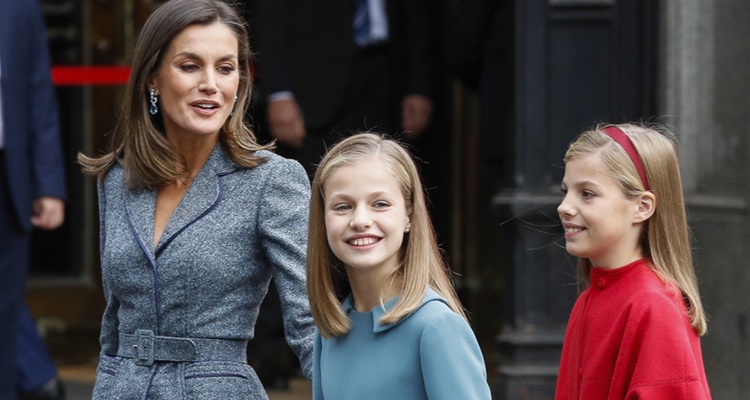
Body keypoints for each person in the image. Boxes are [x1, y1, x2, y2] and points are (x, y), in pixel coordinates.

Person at [77, 0, 314, 398]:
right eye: (190, 66)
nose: (212, 84)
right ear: (152, 79)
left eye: (225, 68)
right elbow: (114, 324)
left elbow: (310, 319)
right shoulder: (117, 178)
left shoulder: (271, 180)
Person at [307, 132, 492, 399]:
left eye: (380, 204)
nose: (360, 220)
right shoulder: (329, 332)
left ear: (409, 217)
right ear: (322, 220)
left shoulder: (436, 327)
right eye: (343, 206)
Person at [555, 123, 712, 399]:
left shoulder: (652, 304)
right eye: (565, 191)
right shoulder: (589, 300)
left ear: (642, 207)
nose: (564, 207)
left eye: (587, 194)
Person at [247, 0, 437, 177]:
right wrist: (280, 92)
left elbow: (415, 12)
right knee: (320, 184)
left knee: (384, 176)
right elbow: (270, 12)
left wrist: (417, 86)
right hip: (314, 83)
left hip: (387, 75)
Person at [0, 0, 68, 398]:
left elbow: (38, 95)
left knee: (5, 315)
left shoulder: (18, 7)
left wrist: (49, 185)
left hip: (8, 178)